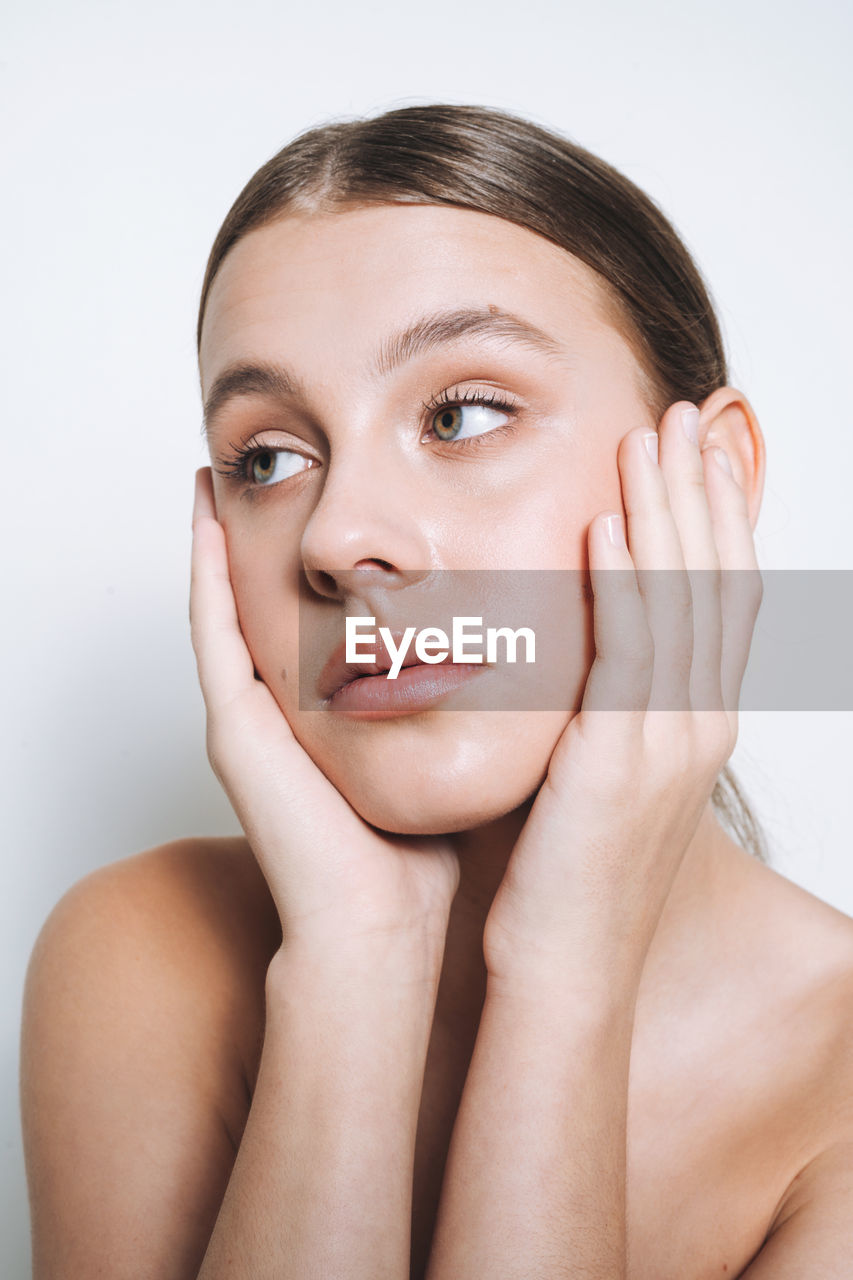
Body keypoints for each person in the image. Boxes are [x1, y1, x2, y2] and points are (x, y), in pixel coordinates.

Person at [20, 103, 853, 1279]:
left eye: (460, 415)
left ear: (707, 480)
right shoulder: (141, 958)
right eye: (267, 458)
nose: (339, 535)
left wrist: (565, 971)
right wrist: (353, 963)